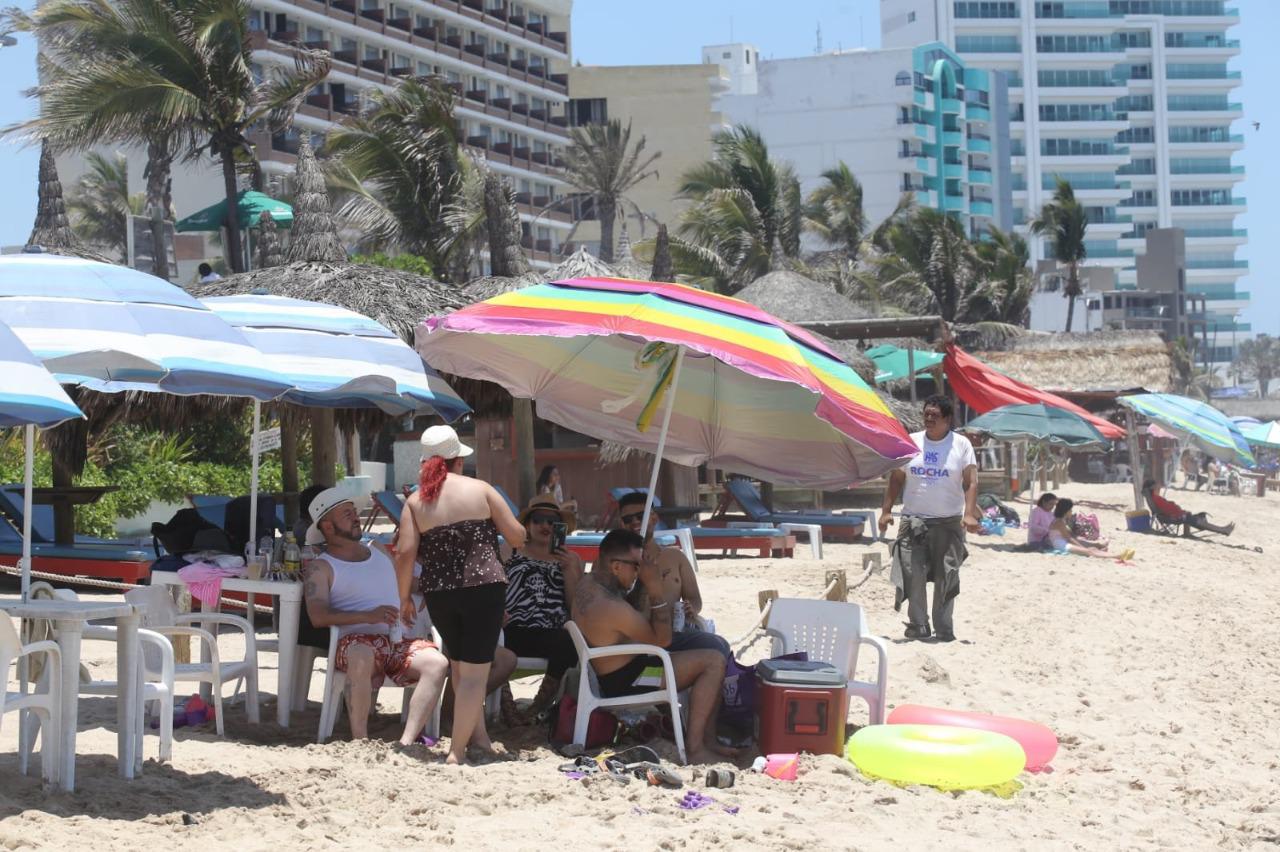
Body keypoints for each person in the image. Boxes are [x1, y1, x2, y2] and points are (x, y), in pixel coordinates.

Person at [393, 425, 527, 765]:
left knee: (459, 666)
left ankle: (478, 737)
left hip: (440, 594)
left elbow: (405, 552)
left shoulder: (415, 502)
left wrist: (404, 597)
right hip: (483, 588)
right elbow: (516, 536)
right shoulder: (480, 490)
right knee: (474, 675)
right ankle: (456, 752)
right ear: (458, 461)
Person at [571, 529, 735, 765]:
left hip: (616, 671)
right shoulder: (611, 607)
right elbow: (663, 639)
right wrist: (656, 590)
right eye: (636, 566)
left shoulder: (588, 584)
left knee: (701, 655)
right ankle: (697, 747)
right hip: (631, 681)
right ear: (616, 566)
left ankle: (707, 741)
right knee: (713, 661)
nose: (640, 572)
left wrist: (641, 584)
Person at [302, 488, 448, 745]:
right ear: (328, 525)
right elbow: (318, 616)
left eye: (354, 512)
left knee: (437, 663)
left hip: (396, 640)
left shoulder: (378, 549)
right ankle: (361, 741)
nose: (356, 517)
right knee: (362, 654)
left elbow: (406, 582)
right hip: (355, 642)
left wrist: (426, 591)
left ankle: (407, 741)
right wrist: (369, 615)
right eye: (347, 514)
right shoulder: (321, 567)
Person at [879, 395, 980, 642]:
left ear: (947, 419)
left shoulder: (961, 444)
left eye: (935, 415)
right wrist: (886, 510)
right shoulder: (911, 442)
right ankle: (918, 626)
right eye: (926, 414)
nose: (929, 419)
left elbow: (971, 481)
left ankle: (944, 629)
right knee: (913, 574)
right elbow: (897, 478)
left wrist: (968, 514)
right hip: (913, 521)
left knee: (947, 575)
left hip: (949, 522)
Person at [616, 490, 729, 660]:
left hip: (674, 634)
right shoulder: (615, 562)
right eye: (628, 519)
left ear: (654, 518)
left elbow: (695, 599)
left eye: (641, 516)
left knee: (719, 646)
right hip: (633, 639)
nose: (635, 523)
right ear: (621, 524)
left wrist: (691, 608)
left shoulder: (675, 558)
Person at [502, 495, 585, 719]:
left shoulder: (571, 559)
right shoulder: (510, 551)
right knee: (488, 638)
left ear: (560, 527)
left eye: (552, 521)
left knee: (570, 642)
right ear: (528, 524)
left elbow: (576, 606)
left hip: (551, 632)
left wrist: (569, 571)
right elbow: (492, 587)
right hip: (512, 626)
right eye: (539, 520)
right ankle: (507, 707)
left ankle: (538, 706)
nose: (545, 526)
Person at [1143, 480, 1235, 537]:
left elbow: (1167, 507)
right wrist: (1179, 510)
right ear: (1153, 488)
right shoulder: (1157, 498)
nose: (1159, 487)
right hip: (1174, 517)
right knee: (1198, 521)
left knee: (1194, 518)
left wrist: (1175, 507)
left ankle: (1222, 529)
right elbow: (1169, 509)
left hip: (1170, 516)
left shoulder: (1154, 498)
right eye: (1157, 486)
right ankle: (1223, 530)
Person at [1047, 499, 1130, 559]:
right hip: (1061, 546)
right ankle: (1117, 556)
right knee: (1089, 551)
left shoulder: (1060, 520)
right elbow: (1069, 539)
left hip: (1062, 543)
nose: (1071, 512)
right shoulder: (1059, 522)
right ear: (1066, 511)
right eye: (1070, 510)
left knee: (1092, 549)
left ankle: (1107, 553)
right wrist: (1083, 547)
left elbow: (1070, 536)